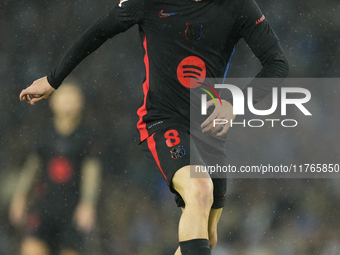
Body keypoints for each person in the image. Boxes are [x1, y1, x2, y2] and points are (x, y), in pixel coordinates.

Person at [19, 0, 288, 253]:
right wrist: (54, 79)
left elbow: (277, 63)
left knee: (208, 235)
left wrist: (234, 103)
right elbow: (99, 31)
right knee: (199, 189)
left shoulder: (238, 5)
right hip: (162, 120)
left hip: (208, 129)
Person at [12, 83, 102, 255]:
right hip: (45, 206)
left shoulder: (87, 136)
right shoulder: (44, 134)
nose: (67, 100)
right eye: (63, 95)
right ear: (53, 103)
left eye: (72, 95)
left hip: (72, 209)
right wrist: (20, 196)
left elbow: (91, 173)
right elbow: (32, 168)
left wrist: (88, 204)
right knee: (32, 248)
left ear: (80, 103)